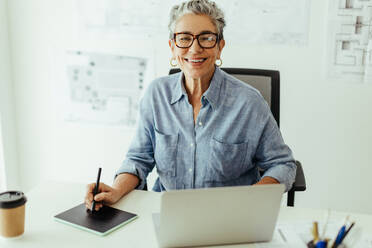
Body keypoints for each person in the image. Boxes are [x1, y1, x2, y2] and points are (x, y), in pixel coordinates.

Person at [85, 0, 296, 211]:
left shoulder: (249, 103)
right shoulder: (156, 95)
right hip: (168, 214)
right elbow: (138, 160)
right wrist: (115, 191)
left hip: (229, 218)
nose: (195, 49)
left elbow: (282, 165)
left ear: (220, 47)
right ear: (172, 47)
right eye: (184, 38)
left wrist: (249, 201)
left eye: (206, 38)